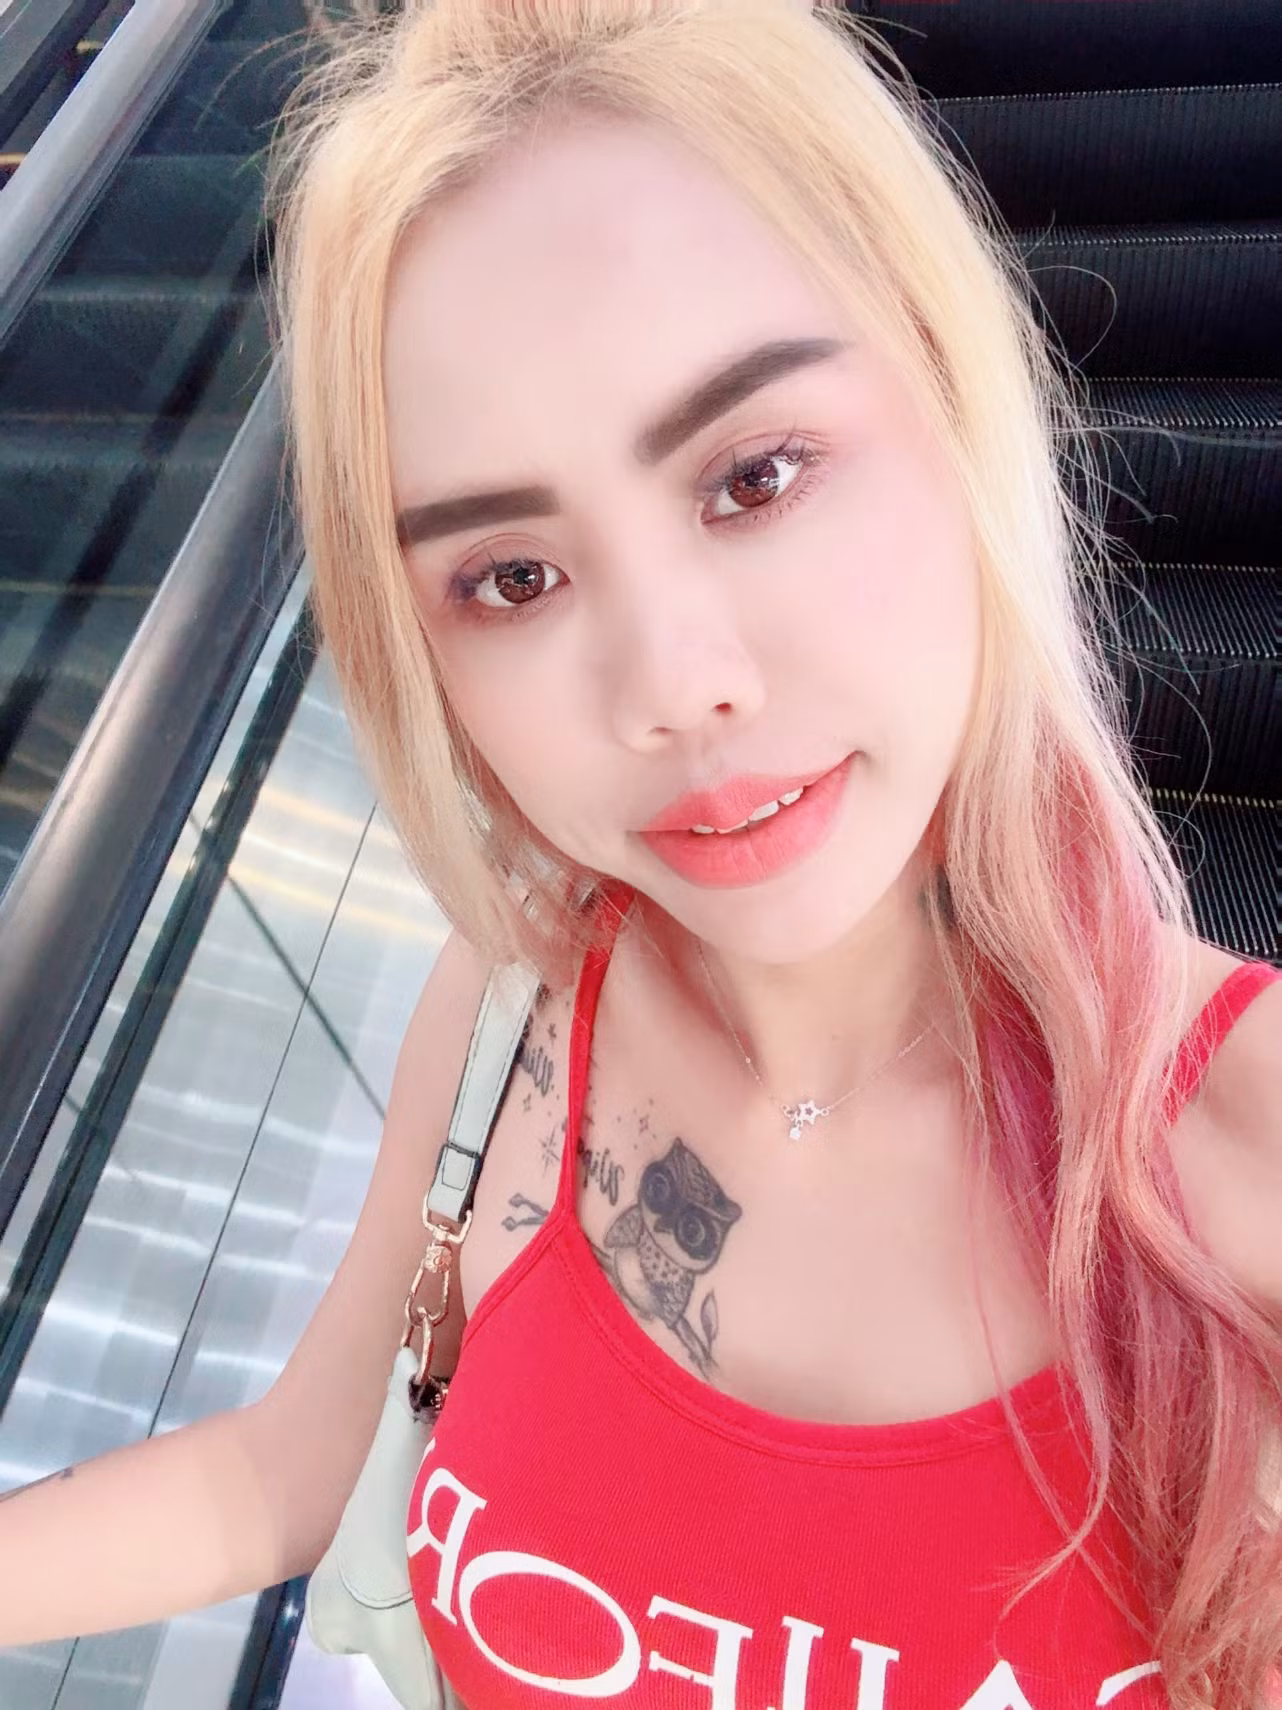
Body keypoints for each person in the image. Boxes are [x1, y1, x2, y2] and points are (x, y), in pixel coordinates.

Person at [2, 1, 1280, 1706]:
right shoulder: (513, 1009)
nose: (674, 686)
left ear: (952, 402)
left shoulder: (1241, 1158)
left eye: (756, 475)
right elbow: (292, 1470)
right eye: (511, 578)